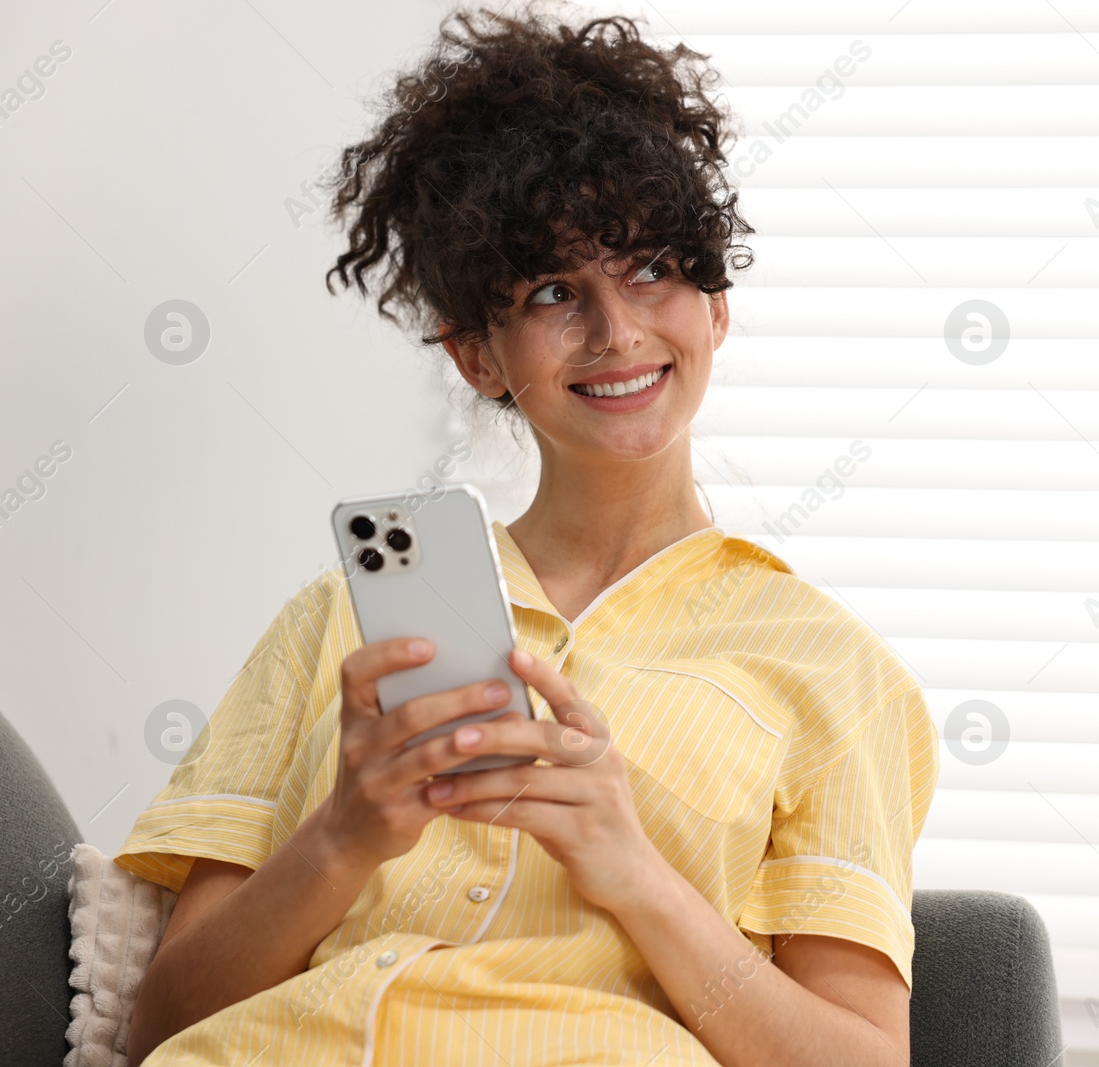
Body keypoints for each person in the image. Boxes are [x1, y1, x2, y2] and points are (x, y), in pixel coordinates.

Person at [117, 6, 938, 1065]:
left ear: (715, 303)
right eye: (555, 291)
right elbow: (157, 1024)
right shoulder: (340, 619)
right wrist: (342, 836)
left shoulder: (836, 670)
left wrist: (632, 868)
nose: (617, 332)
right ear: (477, 357)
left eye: (652, 270)